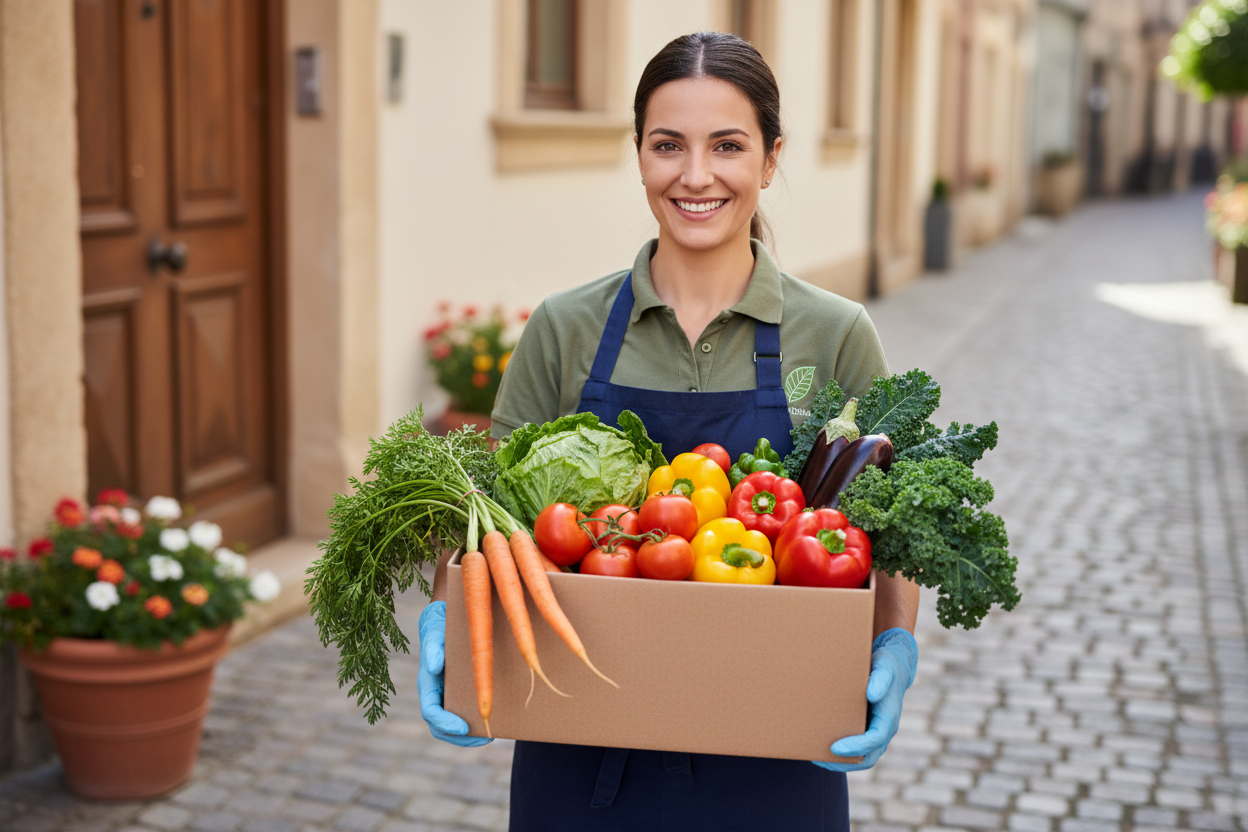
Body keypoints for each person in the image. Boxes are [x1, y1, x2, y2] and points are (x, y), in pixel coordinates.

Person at [417, 31, 920, 832]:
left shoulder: (835, 334)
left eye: (727, 145)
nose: (694, 176)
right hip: (579, 757)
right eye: (667, 146)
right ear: (639, 155)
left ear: (770, 158)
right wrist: (452, 611)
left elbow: (893, 534)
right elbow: (480, 516)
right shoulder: (564, 329)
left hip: (776, 751)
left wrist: (894, 644)